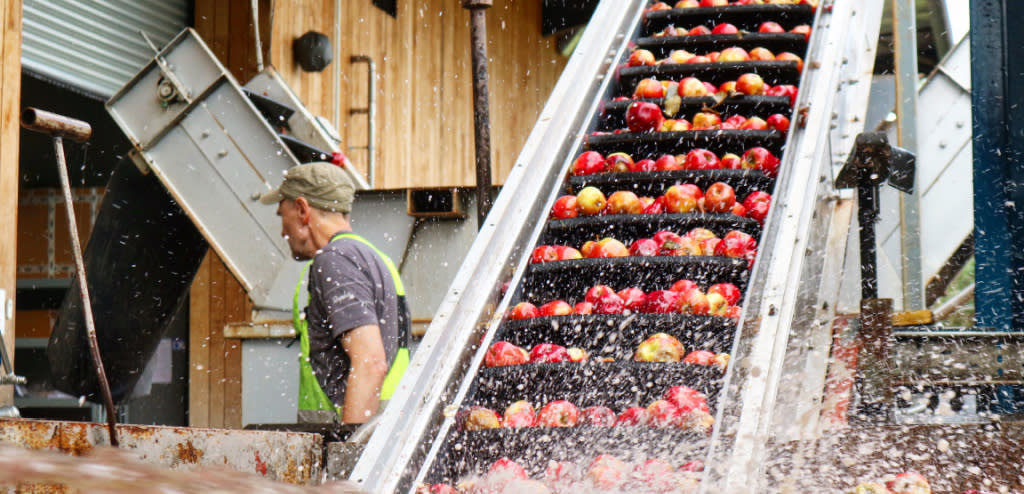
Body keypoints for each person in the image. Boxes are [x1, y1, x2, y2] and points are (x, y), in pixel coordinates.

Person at [260, 162, 410, 424]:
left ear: (302, 210)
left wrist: (348, 453)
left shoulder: (335, 261)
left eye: (282, 215)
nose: (283, 231)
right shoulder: (373, 257)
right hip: (384, 439)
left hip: (355, 448)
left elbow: (371, 362)